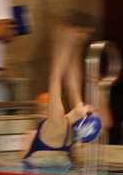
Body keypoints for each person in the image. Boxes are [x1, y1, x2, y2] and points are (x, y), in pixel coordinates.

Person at [22, 25, 103, 166]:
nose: (88, 106)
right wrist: (76, 46)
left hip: (32, 172)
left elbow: (54, 78)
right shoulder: (72, 129)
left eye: (89, 112)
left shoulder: (58, 124)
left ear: (82, 119)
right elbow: (73, 84)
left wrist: (61, 44)